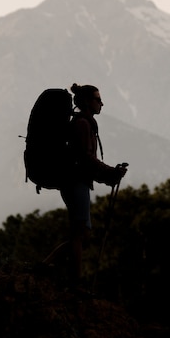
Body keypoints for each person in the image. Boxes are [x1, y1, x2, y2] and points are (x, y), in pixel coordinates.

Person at [42, 83, 127, 294]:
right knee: (80, 232)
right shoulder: (82, 124)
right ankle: (73, 283)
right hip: (74, 183)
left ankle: (49, 268)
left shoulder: (84, 122)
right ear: (88, 102)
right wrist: (110, 173)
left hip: (75, 182)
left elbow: (84, 162)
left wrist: (108, 176)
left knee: (80, 232)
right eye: (98, 99)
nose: (101, 103)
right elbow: (84, 159)